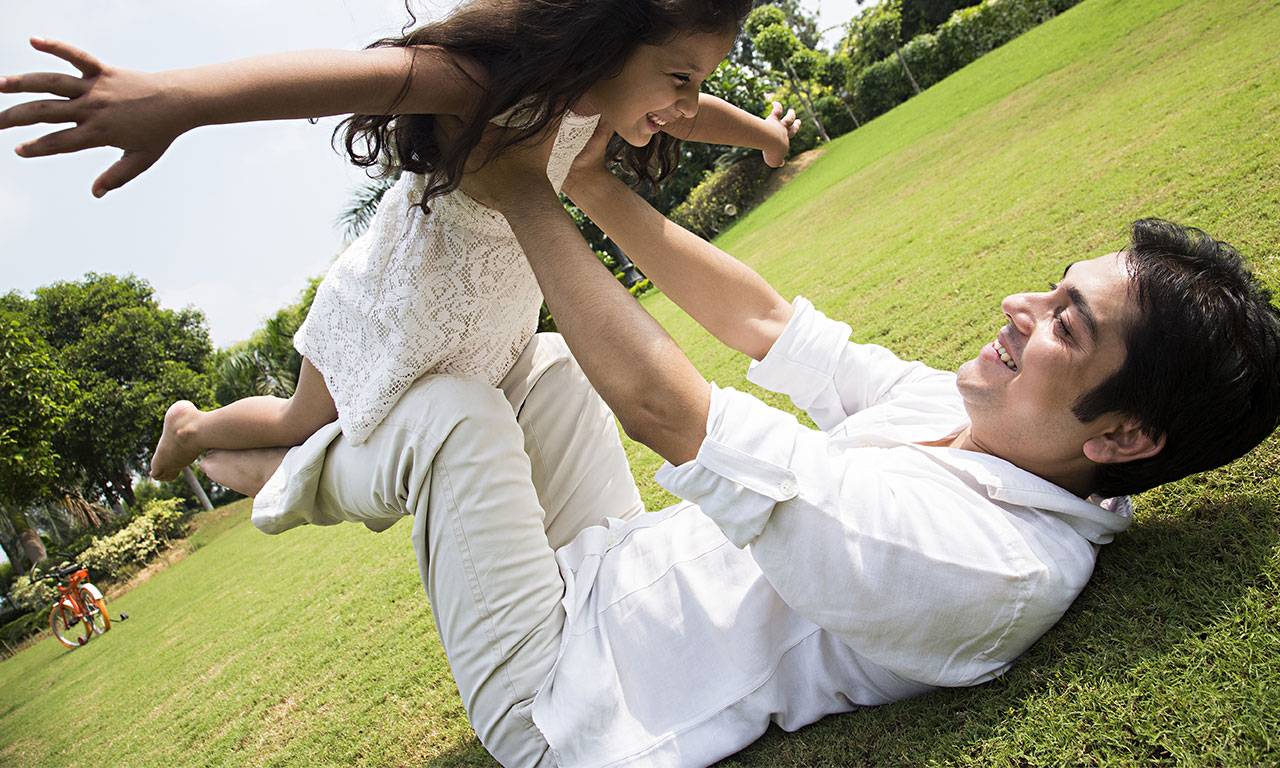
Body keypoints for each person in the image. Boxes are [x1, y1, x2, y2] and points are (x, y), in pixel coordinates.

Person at [197, 134, 1280, 766]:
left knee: (449, 416)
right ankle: (276, 449)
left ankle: (260, 470)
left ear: (1126, 434)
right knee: (544, 364)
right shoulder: (977, 422)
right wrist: (577, 174)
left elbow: (678, 418)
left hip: (564, 699)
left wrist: (517, 189)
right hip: (602, 571)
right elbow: (771, 330)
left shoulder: (992, 564)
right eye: (1049, 290)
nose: (1015, 308)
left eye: (1062, 325)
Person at [0, 0, 799, 482]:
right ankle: (193, 428)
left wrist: (765, 134)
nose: (690, 104)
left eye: (700, 80)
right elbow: (352, 76)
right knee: (299, 422)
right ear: (615, 40)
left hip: (495, 301)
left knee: (455, 426)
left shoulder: (616, 97)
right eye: (681, 77)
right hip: (401, 290)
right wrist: (175, 100)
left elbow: (707, 113)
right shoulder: (497, 84)